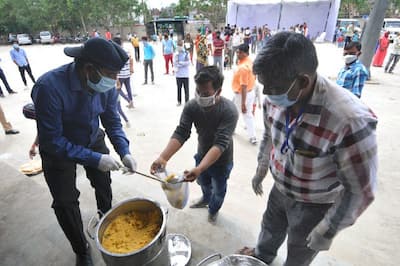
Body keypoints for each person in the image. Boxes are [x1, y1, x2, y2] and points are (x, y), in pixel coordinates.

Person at [238, 32, 377, 266]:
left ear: (302, 81)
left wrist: (328, 229)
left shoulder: (349, 121)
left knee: (300, 250)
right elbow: (269, 136)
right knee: (269, 229)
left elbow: (360, 190)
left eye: (273, 87)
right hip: (280, 189)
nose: (268, 95)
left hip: (315, 203)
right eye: (264, 86)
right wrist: (262, 169)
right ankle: (262, 256)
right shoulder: (274, 95)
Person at [31, 38, 137, 266]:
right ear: (89, 69)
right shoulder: (49, 87)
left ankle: (106, 219)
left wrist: (124, 150)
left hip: (91, 137)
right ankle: (81, 249)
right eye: (111, 74)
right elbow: (52, 142)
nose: (114, 81)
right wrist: (94, 158)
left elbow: (112, 121)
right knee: (65, 202)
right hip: (58, 148)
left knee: (103, 182)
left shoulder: (106, 86)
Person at [150, 66, 238, 224]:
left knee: (219, 189)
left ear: (218, 91)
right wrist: (163, 157)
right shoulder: (192, 106)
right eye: (198, 91)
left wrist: (199, 168)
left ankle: (213, 209)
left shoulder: (229, 111)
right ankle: (205, 199)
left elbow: (220, 143)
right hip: (202, 153)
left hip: (222, 160)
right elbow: (182, 132)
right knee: (203, 182)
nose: (200, 97)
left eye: (205, 94)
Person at [232, 44, 257, 145]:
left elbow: (243, 86)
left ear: (245, 53)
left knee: (245, 114)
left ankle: (252, 136)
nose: (237, 54)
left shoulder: (243, 67)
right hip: (249, 92)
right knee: (236, 112)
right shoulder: (249, 61)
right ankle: (233, 130)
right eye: (237, 52)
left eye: (239, 52)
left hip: (242, 95)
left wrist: (243, 103)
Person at [113, 37, 134, 108]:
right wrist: (131, 69)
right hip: (127, 73)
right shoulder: (126, 50)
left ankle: (129, 101)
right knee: (128, 88)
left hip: (120, 75)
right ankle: (131, 102)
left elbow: (115, 66)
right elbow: (131, 59)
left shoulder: (115, 52)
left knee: (118, 89)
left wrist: (116, 76)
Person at [174, 40, 190, 106]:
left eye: (180, 46)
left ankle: (187, 101)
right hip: (178, 74)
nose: (179, 47)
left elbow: (188, 63)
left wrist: (181, 63)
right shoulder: (176, 54)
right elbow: (175, 63)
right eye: (178, 46)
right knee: (179, 88)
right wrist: (182, 64)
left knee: (186, 89)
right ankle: (179, 101)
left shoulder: (186, 53)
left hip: (185, 74)